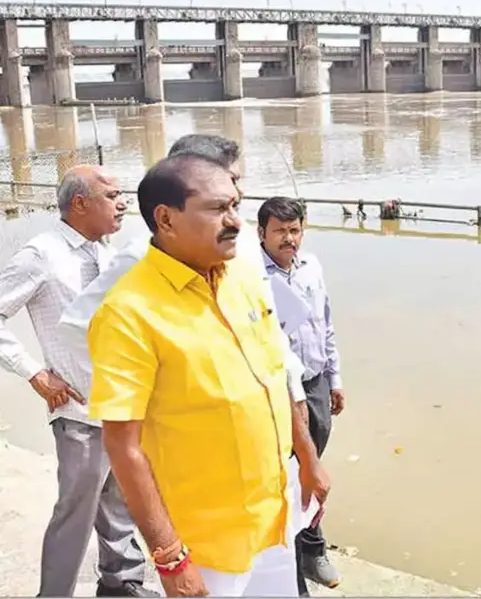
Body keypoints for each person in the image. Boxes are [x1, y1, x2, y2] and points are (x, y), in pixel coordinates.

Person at [87, 153, 319, 597]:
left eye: (235, 206)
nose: (235, 221)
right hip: (206, 544)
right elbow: (123, 445)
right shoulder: (129, 313)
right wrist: (170, 555)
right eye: (217, 209)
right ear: (166, 219)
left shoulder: (241, 277)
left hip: (273, 519)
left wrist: (308, 459)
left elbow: (272, 376)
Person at [0, 166, 154, 597]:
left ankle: (121, 584)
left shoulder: (109, 252)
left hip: (121, 408)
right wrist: (34, 373)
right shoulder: (41, 254)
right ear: (80, 203)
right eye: (113, 195)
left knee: (121, 505)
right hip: (79, 412)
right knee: (76, 513)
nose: (122, 202)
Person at [257, 196, 345, 593]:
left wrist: (334, 377)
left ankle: (312, 549)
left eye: (295, 231)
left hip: (315, 385)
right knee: (287, 481)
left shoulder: (311, 267)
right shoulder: (250, 276)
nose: (288, 239)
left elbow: (324, 324)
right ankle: (290, 573)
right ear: (261, 233)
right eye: (280, 231)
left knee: (313, 472)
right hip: (277, 397)